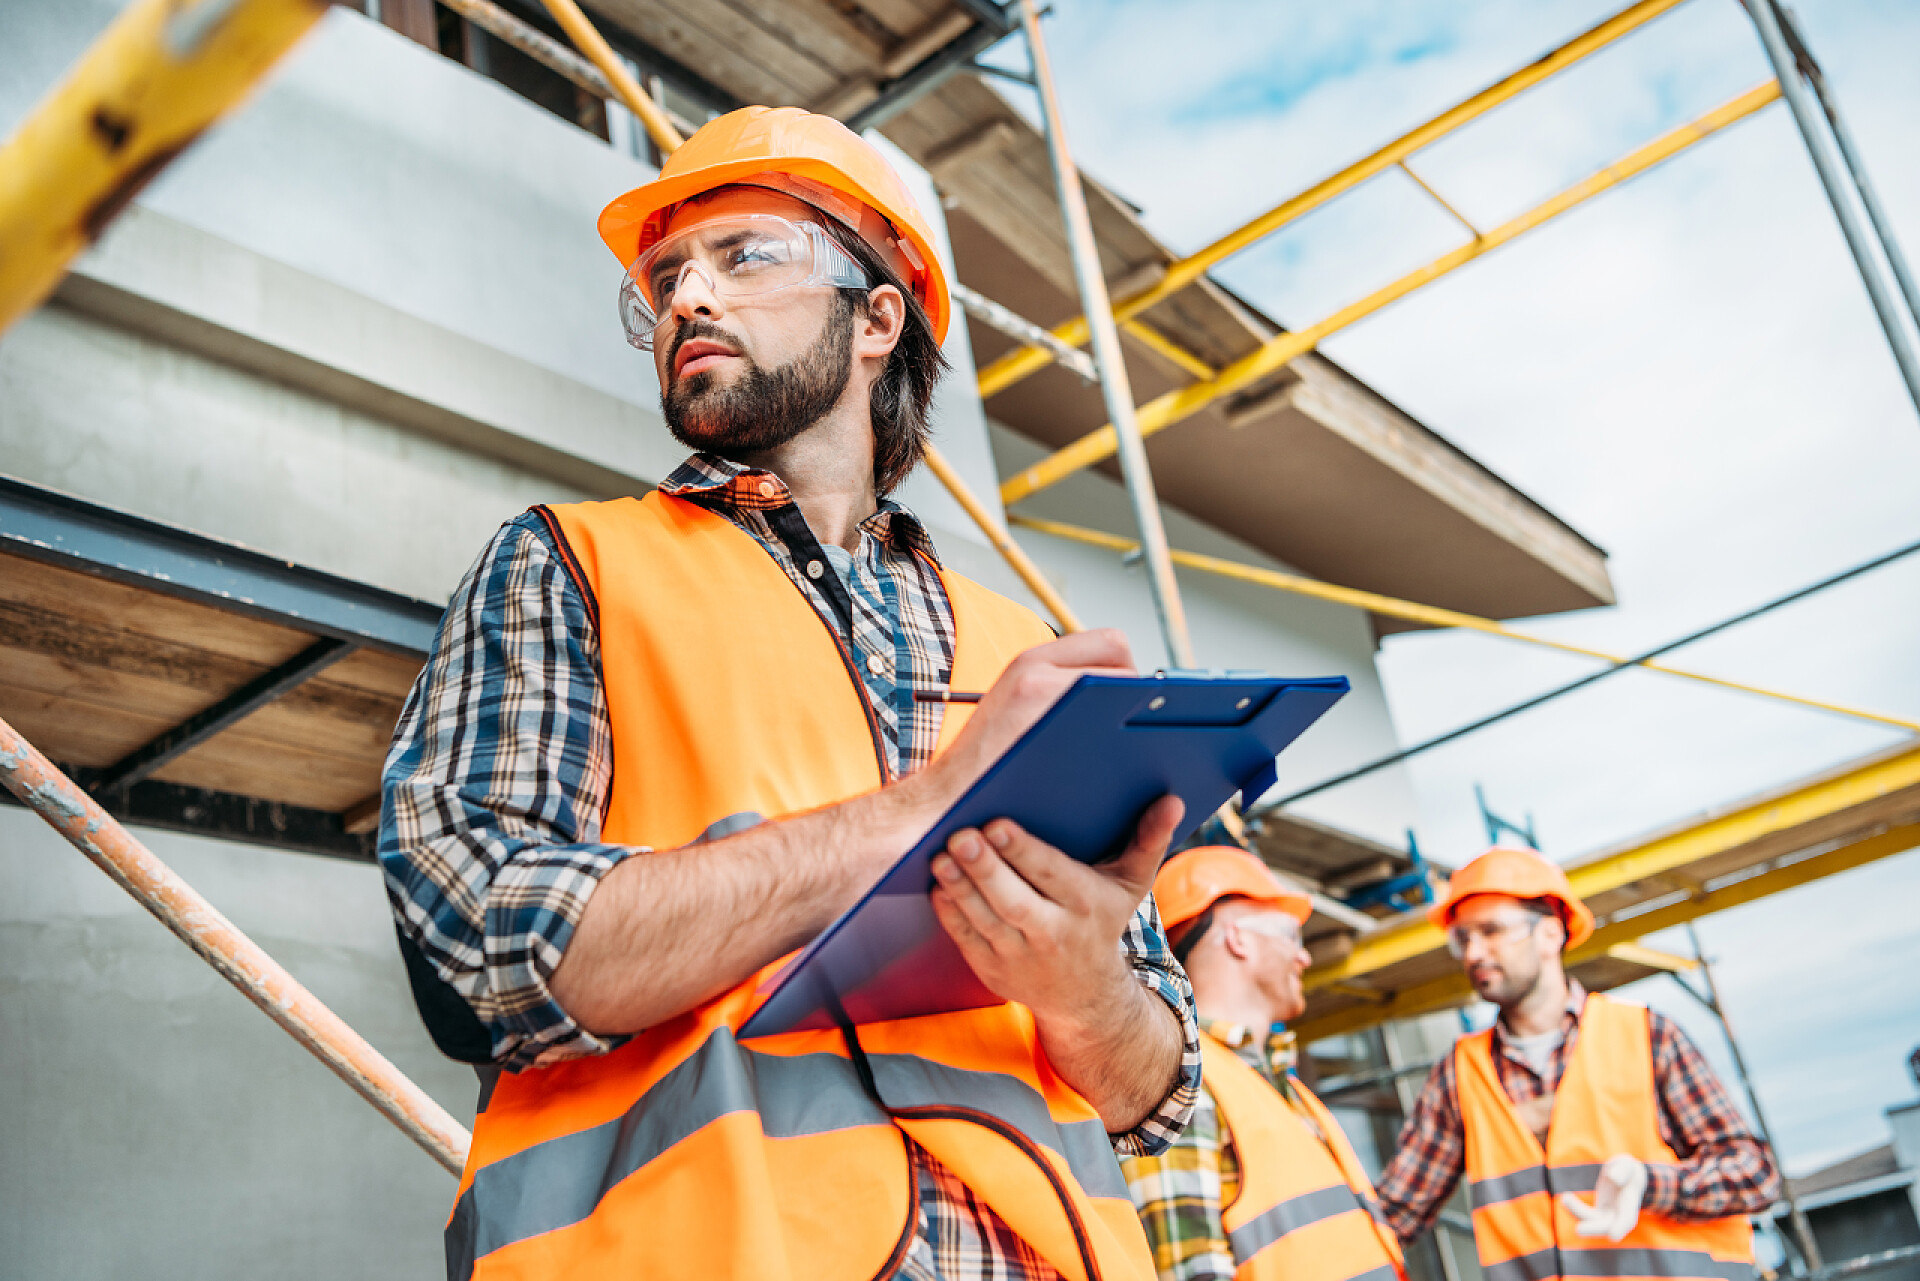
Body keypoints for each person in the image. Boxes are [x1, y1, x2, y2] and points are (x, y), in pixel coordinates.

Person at [380, 105, 1200, 1281]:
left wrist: (1084, 990)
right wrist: (922, 812)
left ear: (878, 318)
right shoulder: (572, 565)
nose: (685, 300)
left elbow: (1157, 1091)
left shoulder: (1020, 646)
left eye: (744, 254)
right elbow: (479, 953)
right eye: (664, 277)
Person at [1374, 847, 1780, 1281]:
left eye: (1491, 931)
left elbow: (1754, 1173)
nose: (1473, 953)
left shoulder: (1647, 1036)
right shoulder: (1458, 1076)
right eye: (1463, 938)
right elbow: (1394, 1216)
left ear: (1550, 934)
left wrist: (1651, 1184)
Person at [1123, 846, 1408, 1281]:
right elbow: (1191, 1271)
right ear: (1237, 938)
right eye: (1292, 937)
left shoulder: (1277, 1085)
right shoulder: (1181, 1085)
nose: (1305, 957)